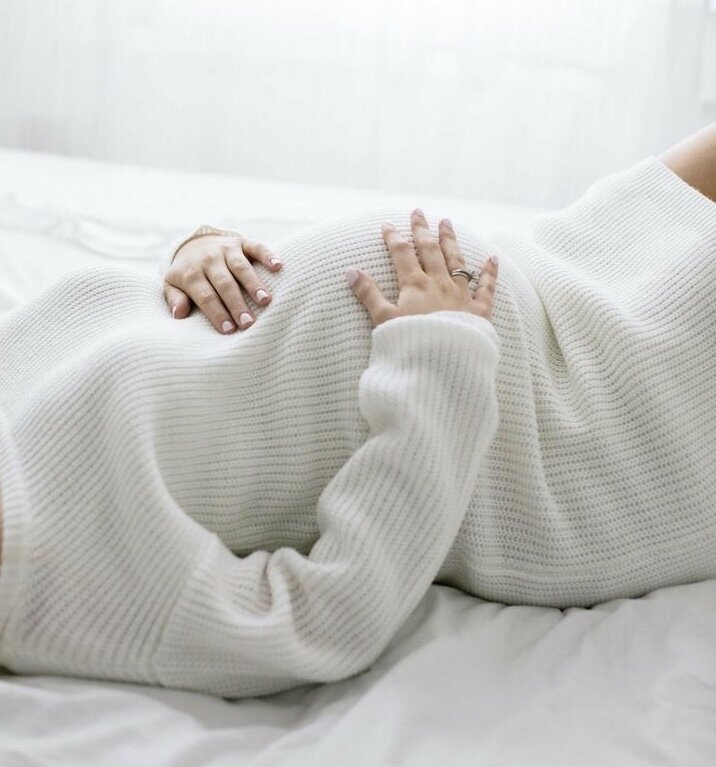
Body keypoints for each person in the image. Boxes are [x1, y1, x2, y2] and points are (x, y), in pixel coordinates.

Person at [0, 123, 714, 699]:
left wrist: (198, 255)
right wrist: (440, 348)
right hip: (560, 438)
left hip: (547, 274)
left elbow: (156, 349)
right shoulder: (28, 578)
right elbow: (324, 623)